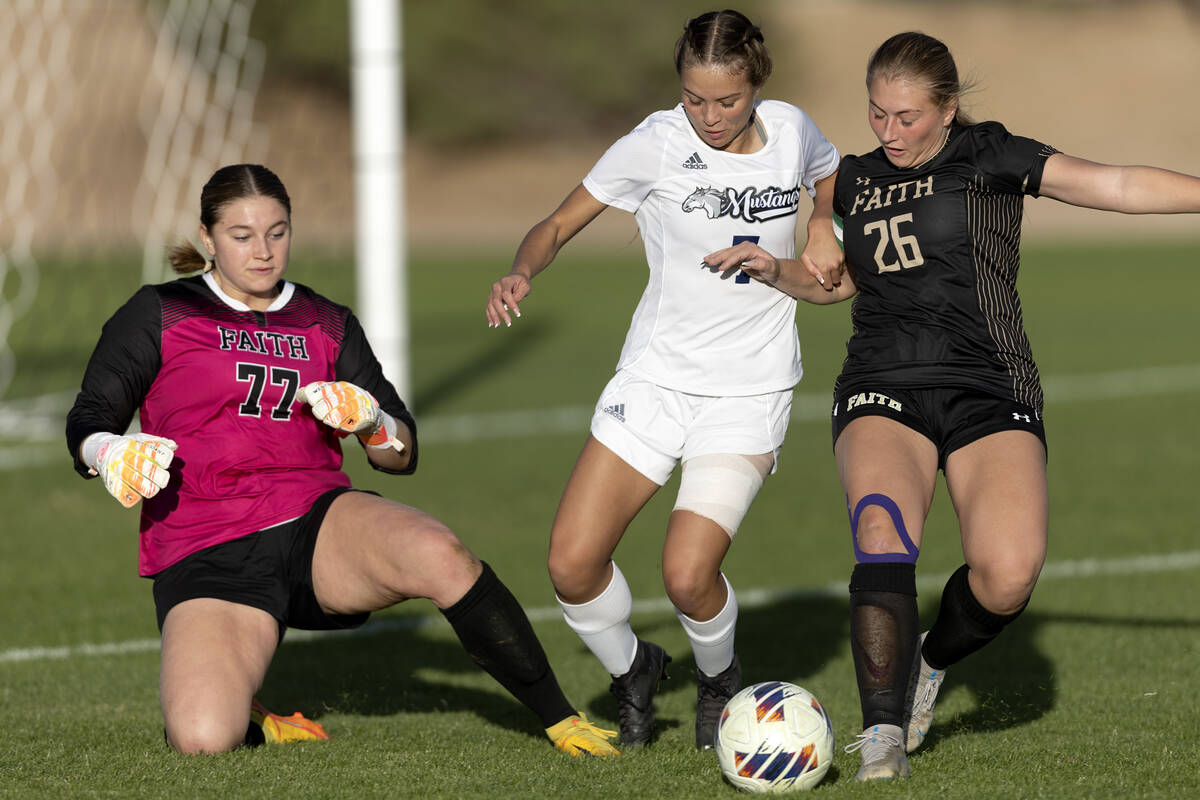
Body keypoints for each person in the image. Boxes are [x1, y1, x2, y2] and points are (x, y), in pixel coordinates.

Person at [704, 29, 1200, 781]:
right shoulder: (856, 180)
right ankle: (881, 738)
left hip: (988, 383)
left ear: (947, 108)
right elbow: (834, 285)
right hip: (882, 382)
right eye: (877, 114)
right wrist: (778, 269)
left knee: (1008, 573)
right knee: (881, 529)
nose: (890, 132)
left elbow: (1117, 184)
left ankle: (929, 661)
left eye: (908, 117)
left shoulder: (991, 156)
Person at [65, 163, 620, 758]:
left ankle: (560, 719)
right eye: (241, 235)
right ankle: (243, 701)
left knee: (439, 554)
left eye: (277, 233)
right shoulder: (160, 311)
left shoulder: (325, 321)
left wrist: (373, 422)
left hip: (317, 524)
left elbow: (400, 455)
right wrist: (109, 449)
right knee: (203, 739)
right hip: (206, 547)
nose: (263, 252)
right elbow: (89, 416)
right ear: (207, 238)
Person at [484, 10, 842, 750]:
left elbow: (827, 171)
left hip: (748, 390)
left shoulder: (793, 129)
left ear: (757, 86)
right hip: (654, 380)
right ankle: (634, 670)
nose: (709, 116)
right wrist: (521, 270)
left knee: (687, 575)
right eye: (694, 98)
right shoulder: (653, 144)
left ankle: (718, 680)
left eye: (728, 101)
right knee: (571, 564)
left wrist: (821, 221)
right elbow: (553, 225)